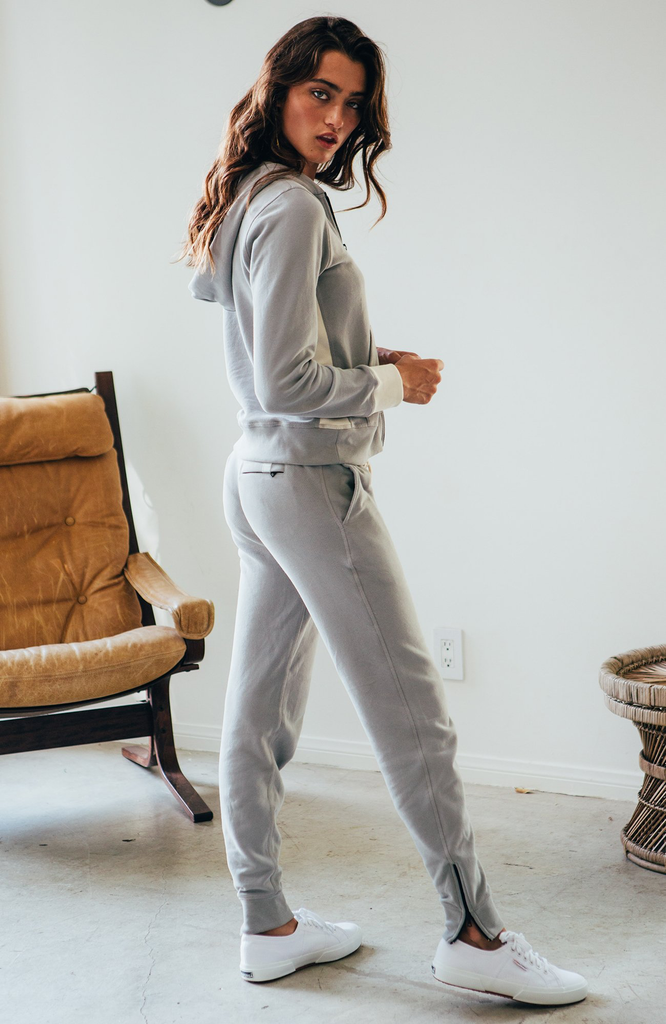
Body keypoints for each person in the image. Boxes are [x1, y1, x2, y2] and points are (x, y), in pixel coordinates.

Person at [180, 15, 588, 1006]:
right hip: (311, 487)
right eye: (320, 92)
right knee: (416, 717)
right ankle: (474, 932)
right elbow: (286, 379)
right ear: (279, 90)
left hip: (258, 476)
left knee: (257, 714)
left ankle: (266, 923)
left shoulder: (249, 194)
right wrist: (395, 383)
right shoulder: (293, 207)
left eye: (353, 102)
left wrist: (366, 358)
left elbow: (266, 345)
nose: (337, 117)